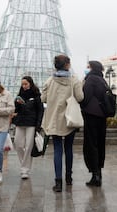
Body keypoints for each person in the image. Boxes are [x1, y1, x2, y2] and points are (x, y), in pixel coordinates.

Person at [41, 55, 84, 192]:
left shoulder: (49, 81)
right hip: (69, 119)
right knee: (69, 148)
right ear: (67, 64)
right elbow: (80, 97)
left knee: (57, 150)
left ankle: (58, 182)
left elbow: (43, 98)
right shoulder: (74, 80)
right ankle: (69, 178)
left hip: (54, 120)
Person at [80, 61, 108, 187]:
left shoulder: (90, 79)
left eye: (88, 67)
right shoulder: (102, 80)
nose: (86, 69)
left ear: (92, 68)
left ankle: (95, 175)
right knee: (100, 143)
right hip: (102, 115)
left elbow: (84, 97)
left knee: (91, 144)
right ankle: (99, 174)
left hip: (91, 116)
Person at [12, 76, 44, 179]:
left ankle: (25, 170)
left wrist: (38, 125)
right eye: (22, 84)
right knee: (18, 144)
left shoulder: (36, 96)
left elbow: (40, 111)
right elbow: (16, 110)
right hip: (20, 122)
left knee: (29, 146)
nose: (24, 86)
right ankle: (24, 165)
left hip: (31, 123)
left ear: (30, 83)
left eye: (26, 84)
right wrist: (17, 104)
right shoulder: (20, 95)